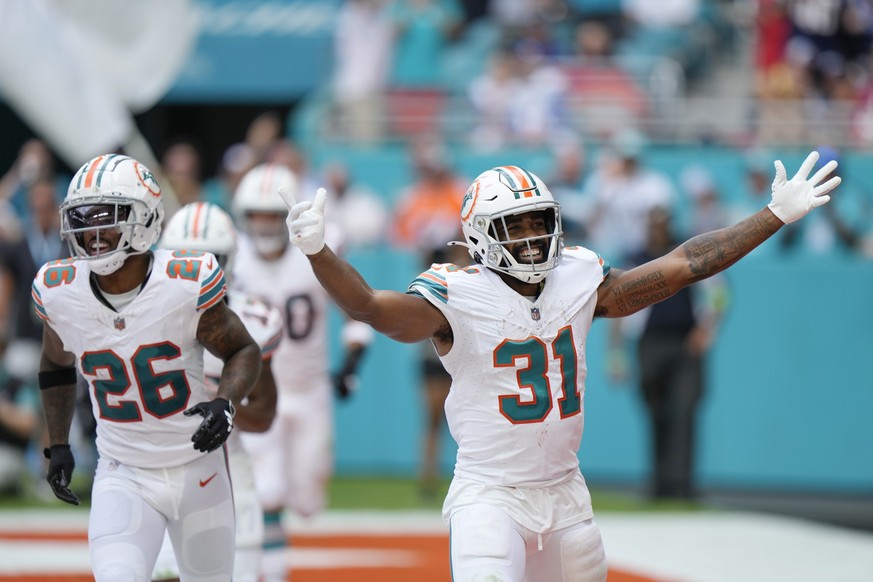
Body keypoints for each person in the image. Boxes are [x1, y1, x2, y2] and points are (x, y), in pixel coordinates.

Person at [280, 152, 840, 581]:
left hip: (566, 494)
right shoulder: (456, 295)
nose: (531, 239)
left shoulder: (579, 277)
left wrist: (772, 216)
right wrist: (318, 252)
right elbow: (371, 309)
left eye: (537, 222)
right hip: (490, 495)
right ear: (479, 236)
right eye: (514, 227)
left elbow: (683, 266)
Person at [34, 154, 262, 581]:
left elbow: (243, 349)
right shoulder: (59, 291)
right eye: (81, 217)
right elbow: (54, 360)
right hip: (124, 471)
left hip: (199, 468)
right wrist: (59, 442)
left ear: (143, 219)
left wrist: (225, 402)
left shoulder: (182, 283)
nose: (91, 232)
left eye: (105, 217)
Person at [230, 163, 373, 582]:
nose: (265, 224)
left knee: (308, 501)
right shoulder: (234, 259)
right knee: (267, 491)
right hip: (258, 393)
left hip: (310, 390)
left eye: (273, 214)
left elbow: (356, 310)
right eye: (257, 214)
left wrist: (350, 363)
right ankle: (271, 573)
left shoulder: (315, 253)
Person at [152, 201, 282, 582]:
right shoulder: (142, 314)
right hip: (156, 468)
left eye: (207, 260)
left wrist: (221, 402)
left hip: (226, 470)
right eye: (186, 260)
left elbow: (264, 417)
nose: (196, 272)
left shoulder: (252, 322)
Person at [610, 206, 728, 501]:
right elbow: (615, 306)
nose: (657, 229)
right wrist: (616, 354)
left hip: (683, 342)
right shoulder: (635, 258)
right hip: (649, 343)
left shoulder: (686, 253)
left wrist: (707, 328)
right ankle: (659, 482)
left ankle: (682, 484)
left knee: (684, 411)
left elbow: (719, 291)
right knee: (655, 412)